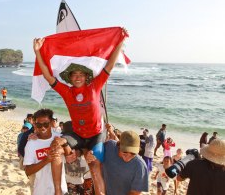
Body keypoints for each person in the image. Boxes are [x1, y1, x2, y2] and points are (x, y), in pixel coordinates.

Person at [33, 28, 127, 195]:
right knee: (55, 147)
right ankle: (57, 192)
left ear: (86, 77)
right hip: (77, 134)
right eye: (74, 74)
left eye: (80, 74)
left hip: (96, 135)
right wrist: (37, 51)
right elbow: (48, 76)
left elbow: (110, 65)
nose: (77, 77)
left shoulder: (95, 86)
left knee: (94, 166)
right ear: (70, 78)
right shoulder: (67, 92)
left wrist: (120, 41)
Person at [23, 108, 69, 195]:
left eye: (46, 124)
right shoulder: (31, 144)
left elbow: (71, 158)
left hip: (61, 190)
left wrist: (64, 146)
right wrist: (46, 160)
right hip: (41, 190)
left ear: (51, 123)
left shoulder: (59, 138)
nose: (42, 127)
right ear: (35, 125)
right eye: (39, 125)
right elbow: (28, 171)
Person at [100, 130, 148, 195]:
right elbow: (95, 153)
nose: (128, 157)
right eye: (124, 152)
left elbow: (135, 193)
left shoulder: (140, 166)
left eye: (132, 153)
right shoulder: (109, 146)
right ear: (119, 145)